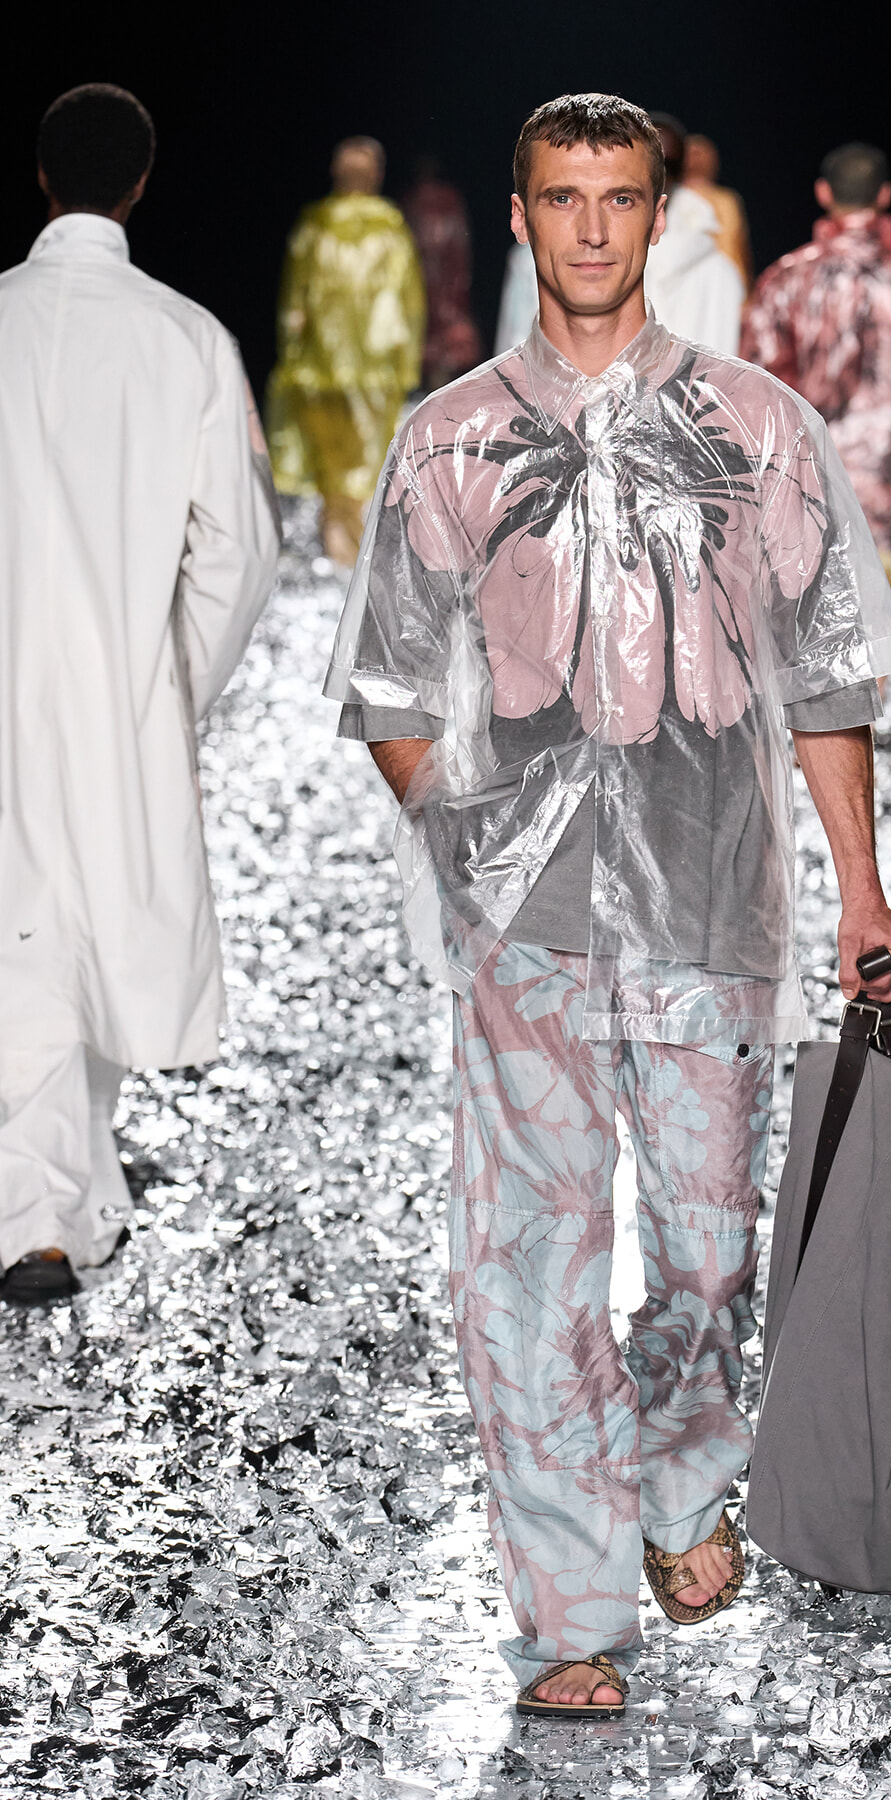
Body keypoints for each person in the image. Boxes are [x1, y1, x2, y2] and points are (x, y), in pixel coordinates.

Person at [325, 92, 891, 1718]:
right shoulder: (446, 435)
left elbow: (829, 673)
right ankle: (574, 1602)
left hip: (715, 906)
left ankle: (680, 1478)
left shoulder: (760, 429)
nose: (591, 227)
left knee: (711, 1252)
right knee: (528, 1255)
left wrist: (861, 882)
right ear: (518, 218)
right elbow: (386, 682)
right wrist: (464, 848)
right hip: (528, 921)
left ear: (663, 220)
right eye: (561, 198)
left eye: (620, 197)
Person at [0, 85, 279, 1304]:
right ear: (142, 184)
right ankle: (41, 1214)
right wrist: (173, 680)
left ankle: (53, 1199)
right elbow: (242, 551)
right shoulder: (187, 340)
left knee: (27, 927)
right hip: (122, 672)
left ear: (42, 180)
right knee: (90, 918)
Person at [740, 142, 891, 625]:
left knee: (819, 644)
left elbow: (753, 390)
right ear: (885, 194)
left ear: (823, 193)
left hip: (808, 497)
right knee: (881, 641)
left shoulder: (785, 280)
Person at [266, 137, 426, 566]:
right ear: (374, 175)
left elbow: (292, 305)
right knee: (366, 460)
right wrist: (407, 363)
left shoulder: (315, 225)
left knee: (331, 462)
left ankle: (340, 545)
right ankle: (352, 555)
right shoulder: (390, 228)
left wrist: (292, 359)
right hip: (375, 370)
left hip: (319, 369)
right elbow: (410, 303)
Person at [643, 113, 745, 354]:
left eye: (668, 165)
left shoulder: (719, 273)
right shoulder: (588, 254)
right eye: (649, 162)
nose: (660, 175)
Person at [402, 155, 482, 391]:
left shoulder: (448, 199)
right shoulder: (411, 200)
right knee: (426, 335)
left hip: (445, 281)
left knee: (444, 340)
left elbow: (459, 245)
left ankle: (439, 392)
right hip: (420, 278)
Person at [682, 133, 753, 290]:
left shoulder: (729, 200)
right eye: (692, 153)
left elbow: (741, 249)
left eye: (703, 153)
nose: (697, 158)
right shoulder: (674, 200)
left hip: (730, 287)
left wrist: (748, 293)